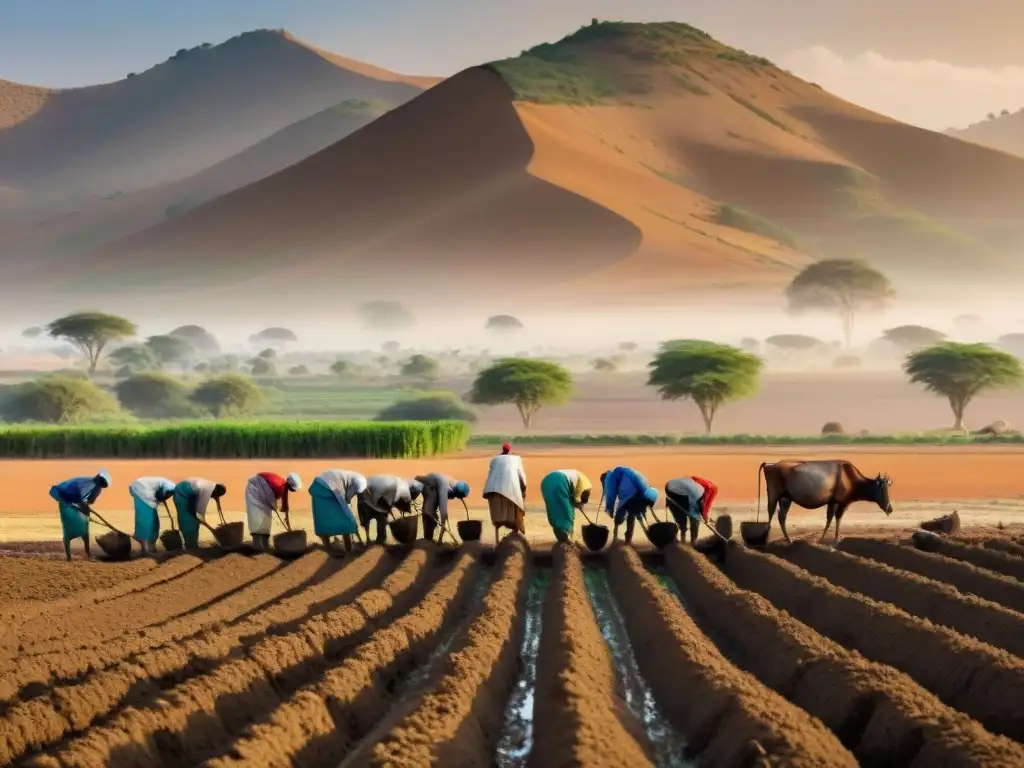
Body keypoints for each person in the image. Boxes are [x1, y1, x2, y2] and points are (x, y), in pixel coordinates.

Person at [49, 469, 111, 561]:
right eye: (100, 479)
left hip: (74, 500)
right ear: (97, 477)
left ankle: (88, 553)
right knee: (68, 528)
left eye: (102, 482)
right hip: (62, 495)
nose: (100, 481)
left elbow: (90, 501)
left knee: (85, 530)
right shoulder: (87, 483)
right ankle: (69, 557)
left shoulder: (97, 488)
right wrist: (84, 507)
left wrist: (86, 508)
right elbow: (82, 499)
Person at [309, 469, 367, 552]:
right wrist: (352, 521)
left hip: (318, 485)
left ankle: (329, 547)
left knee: (323, 519)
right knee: (345, 521)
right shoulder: (346, 486)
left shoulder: (354, 478)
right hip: (328, 488)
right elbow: (346, 503)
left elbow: (347, 499)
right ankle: (347, 549)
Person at [359, 475, 424, 545]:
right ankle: (374, 540)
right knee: (378, 517)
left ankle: (381, 539)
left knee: (383, 518)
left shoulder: (398, 490)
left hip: (383, 493)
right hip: (369, 496)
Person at [601, 466, 659, 545]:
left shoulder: (610, 478)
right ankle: (629, 540)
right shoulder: (623, 471)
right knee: (634, 516)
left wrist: (610, 509)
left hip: (629, 496)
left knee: (620, 518)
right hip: (639, 493)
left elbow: (611, 495)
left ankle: (616, 538)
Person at [246, 471, 303, 550]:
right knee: (258, 519)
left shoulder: (284, 486)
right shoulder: (279, 487)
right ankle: (257, 545)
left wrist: (287, 519)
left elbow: (285, 505)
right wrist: (274, 507)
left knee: (265, 520)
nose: (294, 491)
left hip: (262, 488)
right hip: (255, 489)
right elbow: (271, 502)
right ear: (290, 486)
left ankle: (263, 544)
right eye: (294, 489)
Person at [483, 443, 527, 543]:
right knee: (514, 512)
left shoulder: (495, 460)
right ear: (510, 450)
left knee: (498, 515)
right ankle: (515, 535)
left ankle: (497, 540)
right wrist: (523, 490)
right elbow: (522, 478)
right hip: (511, 489)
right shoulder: (516, 459)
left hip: (493, 490)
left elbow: (491, 474)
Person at [173, 478, 228, 548]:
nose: (213, 497)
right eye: (214, 496)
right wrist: (204, 523)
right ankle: (190, 546)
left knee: (193, 520)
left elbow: (215, 500)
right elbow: (199, 513)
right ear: (214, 492)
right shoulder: (206, 492)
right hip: (183, 491)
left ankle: (191, 544)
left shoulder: (212, 486)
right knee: (189, 520)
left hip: (190, 490)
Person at [415, 473, 470, 542]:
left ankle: (430, 538)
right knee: (428, 512)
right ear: (457, 492)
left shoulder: (453, 485)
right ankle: (428, 539)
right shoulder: (445, 486)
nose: (459, 498)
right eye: (459, 496)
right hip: (428, 485)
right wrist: (444, 518)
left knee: (432, 514)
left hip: (434, 488)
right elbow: (443, 506)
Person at [540, 469, 592, 543]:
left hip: (546, 482)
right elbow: (575, 502)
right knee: (567, 511)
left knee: (553, 510)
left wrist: (578, 503)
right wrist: (578, 504)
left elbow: (574, 500)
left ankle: (561, 537)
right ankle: (567, 537)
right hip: (559, 481)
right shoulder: (585, 485)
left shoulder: (578, 482)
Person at [665, 476, 719, 544]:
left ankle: (691, 541)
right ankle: (687, 541)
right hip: (675, 494)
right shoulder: (697, 493)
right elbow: (694, 509)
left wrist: (705, 516)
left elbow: (706, 505)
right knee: (691, 519)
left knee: (693, 518)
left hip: (676, 488)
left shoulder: (708, 489)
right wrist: (702, 516)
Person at [129, 476, 176, 553]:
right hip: (142, 488)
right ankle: (145, 548)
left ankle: (151, 545)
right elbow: (163, 493)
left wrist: (163, 497)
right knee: (146, 519)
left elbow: (162, 494)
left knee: (154, 521)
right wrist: (163, 496)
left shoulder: (169, 487)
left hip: (145, 490)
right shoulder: (170, 487)